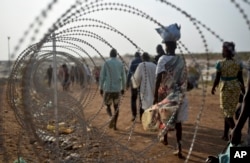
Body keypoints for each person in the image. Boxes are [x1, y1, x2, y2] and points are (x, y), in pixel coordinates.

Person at [141, 23, 188, 159]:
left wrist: (155, 97)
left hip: (165, 93)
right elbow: (184, 78)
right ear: (176, 46)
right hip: (177, 93)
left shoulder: (162, 59)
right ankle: (179, 148)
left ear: (166, 46)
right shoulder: (180, 60)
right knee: (178, 123)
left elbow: (158, 79)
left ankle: (165, 138)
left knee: (163, 117)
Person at [211, 42, 245, 141]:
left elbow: (217, 78)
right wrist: (244, 91)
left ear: (225, 51)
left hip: (225, 88)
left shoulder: (220, 63)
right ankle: (225, 135)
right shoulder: (238, 63)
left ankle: (236, 132)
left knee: (226, 112)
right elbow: (240, 78)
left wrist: (213, 87)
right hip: (235, 88)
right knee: (229, 111)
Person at [99, 48, 126, 130]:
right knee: (116, 107)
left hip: (108, 88)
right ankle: (115, 126)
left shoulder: (106, 63)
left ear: (110, 55)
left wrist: (101, 87)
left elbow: (102, 76)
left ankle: (111, 117)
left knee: (107, 106)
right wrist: (123, 88)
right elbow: (123, 77)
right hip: (117, 89)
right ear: (116, 55)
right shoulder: (120, 63)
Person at [131, 52, 156, 121]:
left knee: (143, 103)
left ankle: (143, 120)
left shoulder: (142, 65)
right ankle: (152, 119)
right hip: (154, 87)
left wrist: (135, 84)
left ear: (142, 58)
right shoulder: (154, 65)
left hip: (144, 87)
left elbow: (137, 78)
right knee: (153, 102)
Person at [126, 51, 142, 121]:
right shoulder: (142, 61)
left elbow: (129, 73)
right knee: (141, 99)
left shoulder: (132, 61)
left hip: (134, 82)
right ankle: (142, 116)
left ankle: (134, 115)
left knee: (133, 99)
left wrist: (127, 83)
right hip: (141, 82)